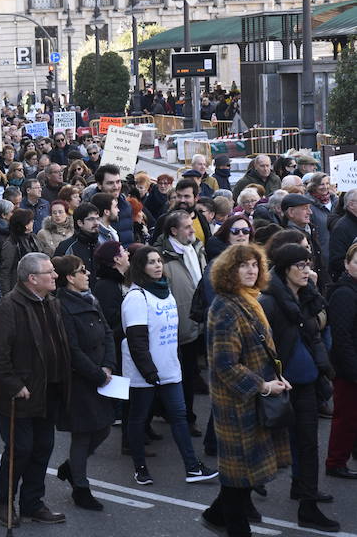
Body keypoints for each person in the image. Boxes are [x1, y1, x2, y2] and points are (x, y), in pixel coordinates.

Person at [201, 244, 293, 536]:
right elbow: (224, 365)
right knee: (238, 474)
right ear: (230, 270)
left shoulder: (250, 299)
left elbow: (263, 350)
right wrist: (263, 385)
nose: (251, 270)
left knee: (241, 474)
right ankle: (235, 528)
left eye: (255, 264)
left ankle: (216, 516)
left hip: (255, 398)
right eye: (244, 265)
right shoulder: (226, 307)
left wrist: (277, 378)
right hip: (238, 404)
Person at [259, 244, 339, 530]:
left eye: (308, 264)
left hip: (306, 383)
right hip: (281, 386)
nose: (307, 270)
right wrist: (269, 381)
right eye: (300, 265)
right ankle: (232, 501)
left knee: (307, 444)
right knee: (263, 444)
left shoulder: (306, 295)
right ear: (284, 268)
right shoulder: (268, 302)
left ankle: (307, 501)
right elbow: (262, 348)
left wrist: (322, 370)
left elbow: (314, 334)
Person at [121, 246, 217, 486]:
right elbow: (137, 340)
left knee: (179, 417)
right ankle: (140, 468)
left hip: (169, 369)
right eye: (151, 262)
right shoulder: (136, 297)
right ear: (140, 267)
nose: (157, 265)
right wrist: (149, 371)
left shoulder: (166, 292)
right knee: (138, 418)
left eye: (159, 261)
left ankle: (192, 467)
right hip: (145, 373)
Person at [0, 252, 70, 526]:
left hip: (49, 390)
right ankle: (3, 500)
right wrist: (14, 384)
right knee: (19, 449)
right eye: (49, 272)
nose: (55, 275)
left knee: (43, 447)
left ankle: (33, 503)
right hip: (21, 395)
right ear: (32, 279)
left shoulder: (51, 303)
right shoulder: (8, 307)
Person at [52, 254, 116, 511]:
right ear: (69, 278)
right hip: (80, 380)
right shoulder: (62, 306)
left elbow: (108, 332)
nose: (87, 273)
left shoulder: (91, 298)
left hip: (101, 373)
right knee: (84, 433)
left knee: (105, 427)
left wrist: (109, 364)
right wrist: (97, 373)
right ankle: (81, 487)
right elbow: (72, 349)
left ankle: (71, 467)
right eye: (81, 271)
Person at [153, 210, 206, 436]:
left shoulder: (196, 249)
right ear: (173, 231)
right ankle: (180, 417)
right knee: (177, 374)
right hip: (174, 326)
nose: (192, 231)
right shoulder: (161, 257)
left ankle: (184, 415)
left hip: (195, 321)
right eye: (186, 227)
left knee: (190, 373)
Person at [325, 242, 357, 480]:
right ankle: (336, 462)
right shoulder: (345, 293)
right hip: (349, 369)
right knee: (345, 417)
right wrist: (352, 371)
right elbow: (342, 338)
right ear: (347, 264)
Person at [0, 208, 43, 293]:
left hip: (37, 283)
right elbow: (6, 271)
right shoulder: (11, 243)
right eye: (31, 221)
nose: (33, 222)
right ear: (25, 225)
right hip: (19, 287)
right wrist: (7, 294)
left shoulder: (33, 237)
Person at [55, 202, 100, 275]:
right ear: (80, 223)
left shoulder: (100, 245)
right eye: (91, 219)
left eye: (97, 219)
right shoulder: (66, 247)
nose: (96, 223)